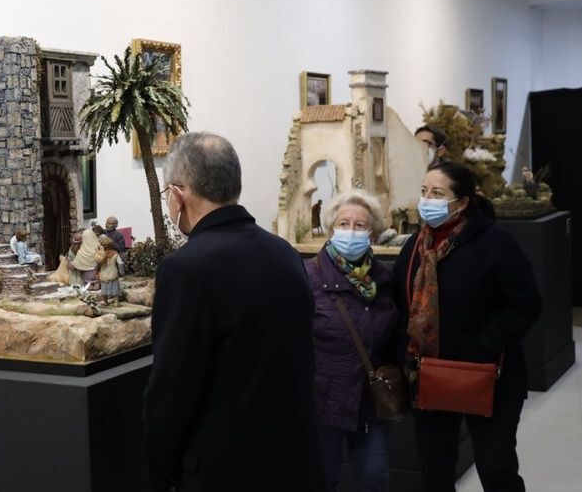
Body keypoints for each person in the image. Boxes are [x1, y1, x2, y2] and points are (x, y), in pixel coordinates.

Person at [143, 132, 317, 492]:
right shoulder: (284, 253)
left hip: (224, 468)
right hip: (294, 457)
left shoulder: (185, 268)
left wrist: (161, 473)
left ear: (177, 194)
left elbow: (172, 390)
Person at [393, 161, 542, 492]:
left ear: (461, 202)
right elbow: (400, 304)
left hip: (489, 375)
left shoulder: (496, 242)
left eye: (437, 193)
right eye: (424, 191)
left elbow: (526, 304)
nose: (427, 200)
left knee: (496, 468)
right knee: (435, 471)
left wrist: (481, 345)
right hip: (431, 375)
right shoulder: (415, 246)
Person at [305, 189, 400, 492]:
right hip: (322, 399)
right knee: (322, 478)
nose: (351, 231)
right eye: (343, 224)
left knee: (374, 477)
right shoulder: (308, 276)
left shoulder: (384, 280)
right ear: (331, 230)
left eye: (360, 226)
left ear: (372, 234)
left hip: (369, 398)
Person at [98, 235, 124, 306]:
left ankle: (105, 301)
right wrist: (121, 272)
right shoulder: (115, 253)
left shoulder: (101, 254)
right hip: (112, 272)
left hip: (103, 273)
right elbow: (120, 263)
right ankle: (116, 302)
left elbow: (96, 264)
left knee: (104, 288)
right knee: (115, 288)